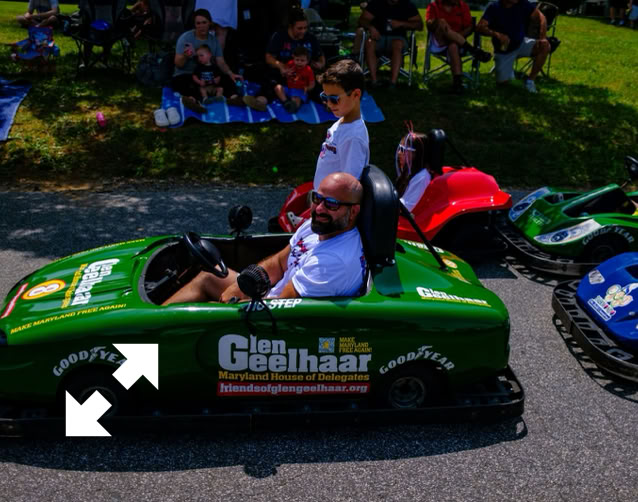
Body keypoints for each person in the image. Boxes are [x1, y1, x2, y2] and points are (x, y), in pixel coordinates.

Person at [163, 172, 367, 304]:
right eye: (317, 198)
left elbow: (282, 307)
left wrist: (229, 304)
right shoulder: (316, 227)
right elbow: (278, 263)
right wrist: (242, 284)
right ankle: (153, 325)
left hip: (276, 321)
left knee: (198, 315)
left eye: (331, 204)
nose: (320, 208)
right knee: (208, 276)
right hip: (271, 297)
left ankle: (149, 344)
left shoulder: (334, 261)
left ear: (353, 211)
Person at [171, 9, 243, 113]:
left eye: (204, 22)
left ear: (210, 23)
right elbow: (178, 64)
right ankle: (193, 102)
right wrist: (186, 56)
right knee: (183, 83)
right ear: (194, 25)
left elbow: (220, 61)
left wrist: (230, 73)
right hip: (187, 74)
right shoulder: (185, 38)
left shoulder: (213, 40)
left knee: (227, 79)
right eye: (198, 23)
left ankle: (234, 98)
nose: (201, 26)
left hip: (208, 75)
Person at [313, 59, 369, 190]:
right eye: (324, 97)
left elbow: (349, 185)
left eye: (334, 99)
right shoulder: (343, 122)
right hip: (323, 196)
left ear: (356, 94)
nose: (328, 104)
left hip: (331, 200)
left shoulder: (353, 137)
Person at [477, 0, 550, 94]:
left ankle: (530, 81)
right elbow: (480, 27)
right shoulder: (494, 7)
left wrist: (543, 37)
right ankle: (506, 70)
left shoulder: (522, 3)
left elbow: (541, 17)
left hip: (521, 43)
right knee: (503, 85)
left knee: (545, 46)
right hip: (504, 51)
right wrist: (497, 35)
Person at [425, 0, 492, 94]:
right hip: (440, 42)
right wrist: (438, 24)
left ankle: (457, 85)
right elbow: (429, 24)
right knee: (441, 22)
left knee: (453, 45)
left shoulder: (463, 6)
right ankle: (474, 50)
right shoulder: (434, 5)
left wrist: (455, 37)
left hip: (459, 43)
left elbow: (469, 27)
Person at [358, 0, 424, 88]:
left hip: (398, 38)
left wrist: (401, 23)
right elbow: (362, 20)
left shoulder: (407, 5)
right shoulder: (376, 3)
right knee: (370, 43)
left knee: (397, 44)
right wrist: (371, 27)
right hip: (378, 37)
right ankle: (374, 81)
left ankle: (392, 83)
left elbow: (419, 25)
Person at [394, 130, 443, 211]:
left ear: (416, 153)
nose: (399, 153)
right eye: (399, 148)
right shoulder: (408, 171)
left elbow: (407, 207)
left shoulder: (422, 177)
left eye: (403, 149)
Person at [275, 46, 316, 113]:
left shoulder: (308, 70)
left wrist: (308, 88)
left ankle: (293, 106)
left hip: (300, 90)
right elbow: (283, 74)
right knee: (278, 88)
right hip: (289, 88)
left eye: (302, 60)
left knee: (296, 99)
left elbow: (312, 83)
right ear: (293, 58)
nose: (299, 62)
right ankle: (286, 102)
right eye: (297, 60)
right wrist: (286, 72)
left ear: (307, 61)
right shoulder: (290, 64)